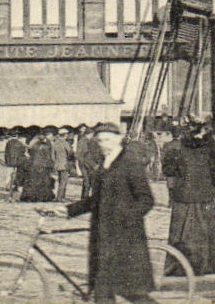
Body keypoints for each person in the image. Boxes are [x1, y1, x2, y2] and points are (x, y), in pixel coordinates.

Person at [41, 122, 155, 303]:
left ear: (118, 140)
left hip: (125, 239)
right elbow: (96, 200)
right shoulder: (103, 166)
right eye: (100, 140)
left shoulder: (130, 163)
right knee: (103, 293)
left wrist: (124, 218)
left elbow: (146, 199)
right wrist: (67, 210)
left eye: (107, 140)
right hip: (103, 239)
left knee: (133, 294)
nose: (103, 144)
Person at [162, 123, 215, 277]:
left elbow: (168, 170)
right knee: (206, 230)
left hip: (183, 196)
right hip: (205, 196)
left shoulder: (176, 151)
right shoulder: (211, 151)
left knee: (181, 231)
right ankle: (209, 265)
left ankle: (179, 266)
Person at [20, 131, 56, 202]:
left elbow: (30, 153)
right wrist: (51, 165)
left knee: (33, 182)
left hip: (34, 165)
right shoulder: (47, 146)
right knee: (43, 182)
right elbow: (49, 157)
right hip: (43, 166)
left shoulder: (34, 145)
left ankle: (30, 197)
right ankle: (43, 197)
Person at [77, 126, 105, 202]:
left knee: (88, 181)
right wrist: (82, 164)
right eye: (92, 134)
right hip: (84, 164)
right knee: (87, 181)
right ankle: (85, 198)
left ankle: (84, 197)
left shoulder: (88, 141)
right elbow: (79, 154)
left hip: (87, 164)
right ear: (89, 134)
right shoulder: (83, 141)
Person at [3, 131, 28, 201]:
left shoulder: (8, 143)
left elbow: (6, 153)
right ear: (17, 136)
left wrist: (7, 161)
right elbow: (23, 152)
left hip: (10, 163)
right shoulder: (20, 143)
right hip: (18, 162)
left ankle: (8, 187)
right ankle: (16, 188)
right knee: (17, 176)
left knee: (9, 176)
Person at [52, 127, 74, 202]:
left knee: (60, 181)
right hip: (65, 165)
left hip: (57, 165)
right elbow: (70, 153)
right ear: (65, 135)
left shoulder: (55, 143)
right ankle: (60, 198)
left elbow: (52, 155)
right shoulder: (65, 143)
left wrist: (55, 162)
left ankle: (59, 196)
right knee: (63, 182)